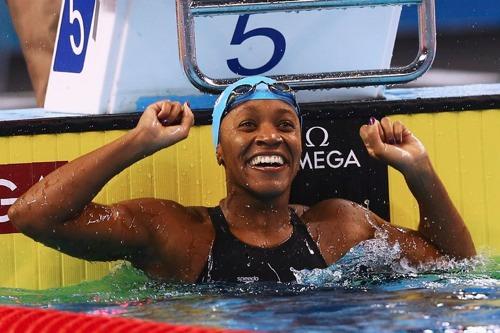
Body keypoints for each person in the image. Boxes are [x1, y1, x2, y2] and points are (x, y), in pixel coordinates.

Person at [8, 76, 476, 283]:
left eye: (285, 125)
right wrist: (138, 142)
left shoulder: (340, 228)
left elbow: (455, 266)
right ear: (219, 150)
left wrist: (418, 170)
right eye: (247, 126)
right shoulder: (180, 235)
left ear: (300, 148)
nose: (269, 137)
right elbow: (32, 215)